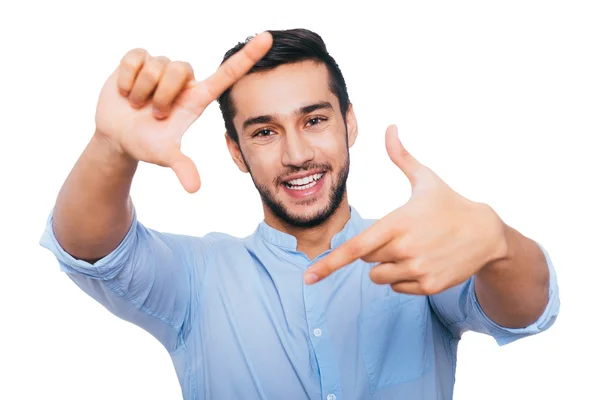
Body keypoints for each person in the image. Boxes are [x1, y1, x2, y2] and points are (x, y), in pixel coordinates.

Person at [39, 28, 560, 399]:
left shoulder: (416, 252)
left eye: (314, 120)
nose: (296, 154)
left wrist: (500, 244)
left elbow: (526, 310)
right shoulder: (197, 279)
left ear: (349, 125)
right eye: (264, 131)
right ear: (236, 151)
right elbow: (92, 249)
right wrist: (111, 146)